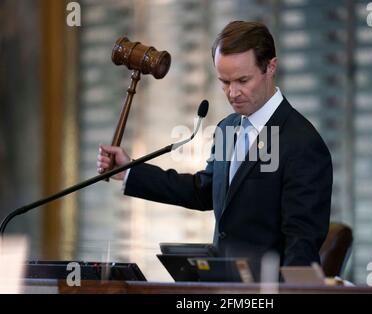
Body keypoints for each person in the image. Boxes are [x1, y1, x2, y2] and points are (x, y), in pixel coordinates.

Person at [97, 21, 332, 274]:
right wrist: (130, 171)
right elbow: (205, 190)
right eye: (224, 81)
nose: (233, 93)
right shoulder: (227, 128)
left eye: (243, 80)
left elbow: (301, 246)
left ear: (271, 67)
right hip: (222, 285)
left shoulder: (302, 142)